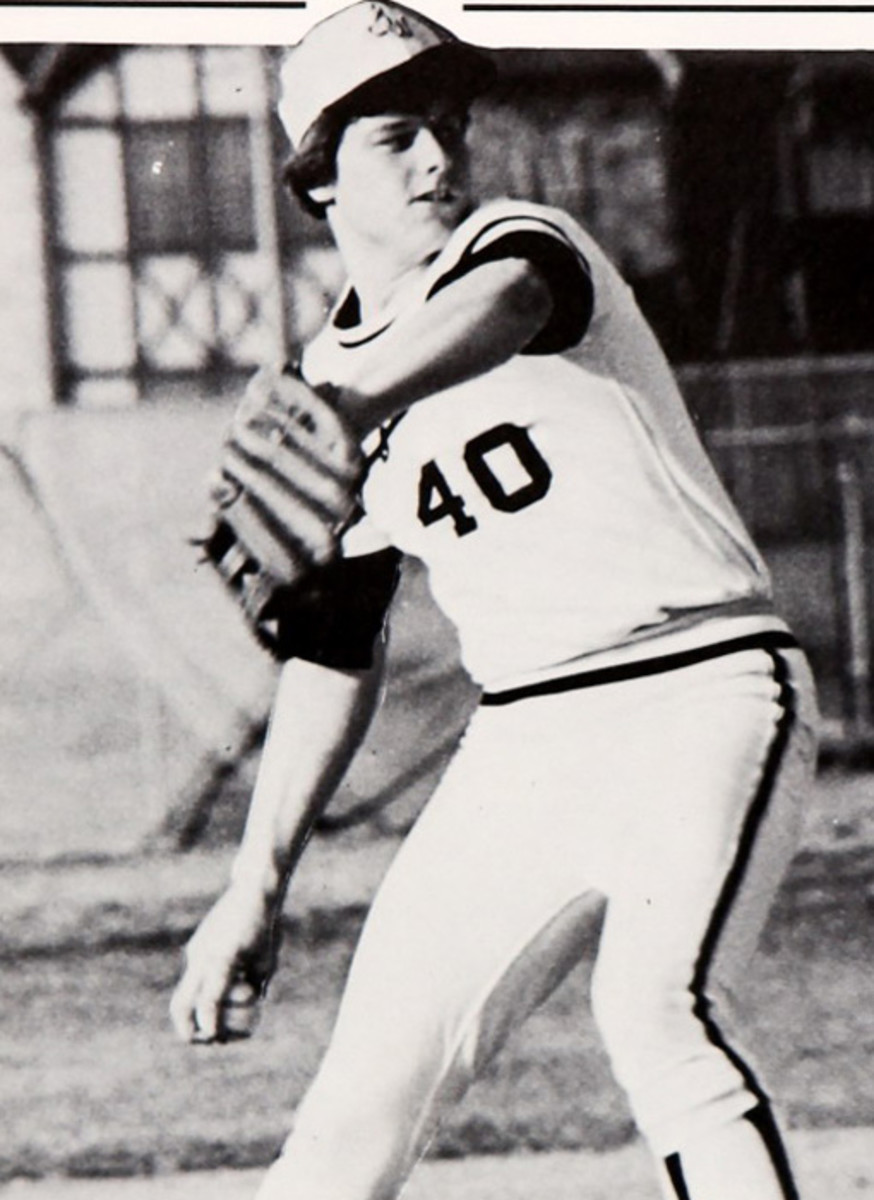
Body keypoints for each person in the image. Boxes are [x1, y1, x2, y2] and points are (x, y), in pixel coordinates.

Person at [170, 5, 819, 1199]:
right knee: (357, 1103)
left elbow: (506, 312)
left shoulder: (520, 245)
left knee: (659, 1011)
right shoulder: (322, 384)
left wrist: (357, 409)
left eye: (451, 128)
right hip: (524, 743)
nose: (440, 159)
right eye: (397, 137)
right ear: (317, 178)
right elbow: (331, 655)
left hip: (705, 687)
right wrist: (252, 887)